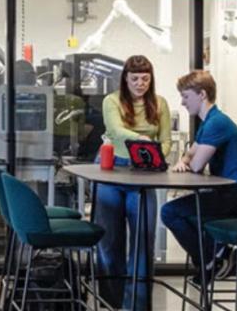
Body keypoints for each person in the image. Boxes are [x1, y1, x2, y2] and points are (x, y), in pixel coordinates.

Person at [96, 55, 172, 311]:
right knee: (109, 242)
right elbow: (115, 130)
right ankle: (111, 303)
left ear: (151, 79)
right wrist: (143, 141)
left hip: (144, 174)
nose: (140, 84)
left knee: (143, 242)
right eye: (135, 79)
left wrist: (158, 152)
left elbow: (166, 140)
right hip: (113, 171)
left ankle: (137, 306)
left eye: (145, 79)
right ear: (125, 79)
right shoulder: (112, 100)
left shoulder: (160, 104)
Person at [161, 70, 237, 280]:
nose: (182, 102)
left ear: (202, 95)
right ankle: (214, 258)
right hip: (228, 194)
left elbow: (197, 164)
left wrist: (188, 161)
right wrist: (183, 160)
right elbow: (189, 156)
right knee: (185, 214)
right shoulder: (209, 122)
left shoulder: (216, 123)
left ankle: (213, 259)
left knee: (170, 212)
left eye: (185, 96)